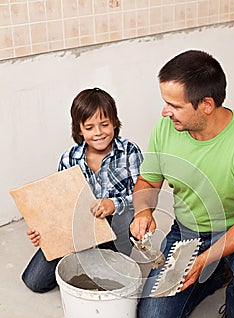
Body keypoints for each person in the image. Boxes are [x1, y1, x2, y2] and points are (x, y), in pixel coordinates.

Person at [130, 50, 234, 318]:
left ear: (206, 105)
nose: (165, 111)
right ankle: (218, 272)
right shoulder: (166, 129)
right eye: (165, 102)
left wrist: (205, 259)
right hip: (189, 230)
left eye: (173, 105)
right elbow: (148, 180)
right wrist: (143, 212)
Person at [22, 87, 143, 293]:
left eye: (104, 125)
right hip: (76, 228)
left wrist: (114, 204)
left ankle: (93, 258)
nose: (98, 133)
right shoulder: (69, 158)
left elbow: (143, 196)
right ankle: (81, 254)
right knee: (34, 281)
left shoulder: (129, 152)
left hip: (115, 228)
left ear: (114, 122)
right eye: (89, 127)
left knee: (107, 283)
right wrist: (43, 231)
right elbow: (59, 204)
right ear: (79, 129)